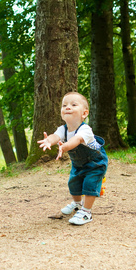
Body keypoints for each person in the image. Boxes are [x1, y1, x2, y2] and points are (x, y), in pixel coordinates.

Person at [37, 92, 108, 225]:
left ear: (84, 113)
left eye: (73, 105)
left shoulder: (85, 129)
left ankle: (86, 212)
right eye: (64, 105)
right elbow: (55, 136)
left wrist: (65, 147)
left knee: (89, 184)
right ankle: (77, 204)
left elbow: (76, 140)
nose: (68, 107)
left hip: (95, 163)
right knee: (73, 183)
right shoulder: (63, 129)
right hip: (79, 164)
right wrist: (49, 141)